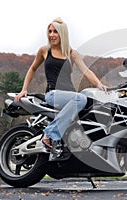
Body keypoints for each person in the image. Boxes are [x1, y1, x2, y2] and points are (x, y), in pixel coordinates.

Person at [15, 17, 107, 160]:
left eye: (55, 32)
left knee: (91, 106)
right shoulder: (45, 51)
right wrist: (24, 89)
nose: (51, 35)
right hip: (53, 94)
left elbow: (86, 71)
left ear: (62, 34)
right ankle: (50, 133)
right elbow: (32, 69)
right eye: (50, 31)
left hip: (70, 96)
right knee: (81, 99)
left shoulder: (72, 53)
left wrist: (99, 85)